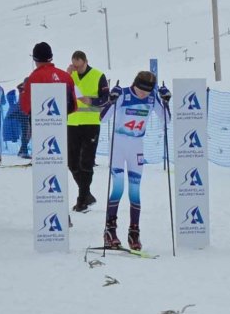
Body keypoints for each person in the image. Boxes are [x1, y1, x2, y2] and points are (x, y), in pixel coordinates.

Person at [99, 71, 169, 250]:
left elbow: (166, 120)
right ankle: (110, 231)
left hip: (136, 148)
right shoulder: (123, 94)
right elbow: (103, 118)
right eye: (140, 90)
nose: (143, 95)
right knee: (118, 188)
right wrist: (111, 99)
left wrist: (166, 101)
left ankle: (134, 233)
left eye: (147, 92)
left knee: (135, 191)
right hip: (118, 147)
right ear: (134, 84)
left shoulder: (152, 98)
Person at [67, 51, 110, 212]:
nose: (77, 69)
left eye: (80, 66)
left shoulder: (98, 75)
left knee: (86, 163)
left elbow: (107, 99)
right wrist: (67, 74)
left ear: (86, 62)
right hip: (72, 123)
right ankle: (87, 194)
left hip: (91, 124)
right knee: (72, 163)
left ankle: (81, 200)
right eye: (75, 66)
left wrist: (92, 101)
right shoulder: (70, 75)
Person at [20, 42, 78, 124]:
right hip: (62, 127)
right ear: (51, 57)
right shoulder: (66, 77)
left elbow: (26, 108)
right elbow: (73, 106)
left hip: (40, 128)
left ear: (35, 59)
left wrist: (21, 92)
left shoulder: (33, 78)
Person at [16, 82, 31, 158]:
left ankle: (22, 150)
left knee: (27, 134)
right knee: (26, 134)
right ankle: (24, 151)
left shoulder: (22, 90)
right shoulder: (25, 91)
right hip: (25, 115)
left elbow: (18, 86)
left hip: (24, 115)